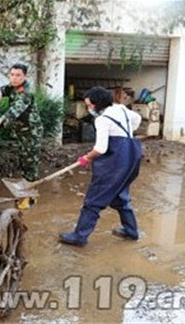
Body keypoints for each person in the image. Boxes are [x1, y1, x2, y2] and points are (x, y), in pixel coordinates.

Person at [59, 86, 142, 246]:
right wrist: (128, 132)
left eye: (89, 106)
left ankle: (80, 236)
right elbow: (137, 119)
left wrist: (86, 158)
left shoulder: (102, 119)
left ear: (98, 104)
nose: (89, 109)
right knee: (120, 196)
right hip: (132, 155)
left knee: (94, 200)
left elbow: (101, 149)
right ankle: (132, 232)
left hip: (115, 161)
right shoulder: (121, 108)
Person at [0, 63, 43, 182]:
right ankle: (24, 187)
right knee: (22, 158)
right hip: (19, 130)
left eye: (18, 75)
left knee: (30, 162)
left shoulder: (26, 92)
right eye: (12, 75)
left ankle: (31, 191)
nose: (14, 78)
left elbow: (16, 109)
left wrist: (1, 119)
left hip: (31, 132)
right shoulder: (13, 86)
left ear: (24, 76)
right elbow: (3, 89)